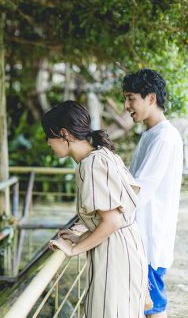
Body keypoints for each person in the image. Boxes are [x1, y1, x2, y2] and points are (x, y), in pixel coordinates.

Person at [43, 100, 148, 317]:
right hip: (124, 246)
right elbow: (111, 215)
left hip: (116, 252)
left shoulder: (91, 164)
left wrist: (74, 249)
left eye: (49, 136)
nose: (48, 143)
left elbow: (112, 221)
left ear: (64, 134)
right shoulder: (101, 154)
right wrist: (80, 235)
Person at [123, 69, 183, 318]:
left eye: (130, 98)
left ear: (151, 98)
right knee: (145, 306)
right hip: (142, 237)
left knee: (154, 308)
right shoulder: (151, 134)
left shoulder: (164, 137)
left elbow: (140, 191)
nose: (126, 106)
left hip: (150, 238)